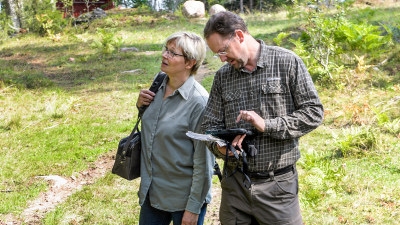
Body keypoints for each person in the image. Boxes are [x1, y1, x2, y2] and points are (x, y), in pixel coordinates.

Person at [201, 11, 324, 225]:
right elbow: (209, 126)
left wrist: (267, 125)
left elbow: (313, 112)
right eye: (217, 54)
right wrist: (221, 148)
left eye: (223, 50)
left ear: (239, 35)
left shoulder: (287, 62)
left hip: (278, 186)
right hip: (235, 187)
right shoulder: (223, 77)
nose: (222, 58)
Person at [136, 31, 215, 225]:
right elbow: (154, 127)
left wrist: (193, 208)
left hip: (183, 200)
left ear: (190, 62)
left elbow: (204, 162)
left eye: (172, 53)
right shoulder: (158, 83)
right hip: (152, 193)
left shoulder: (199, 102)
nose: (164, 55)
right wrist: (140, 106)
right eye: (166, 50)